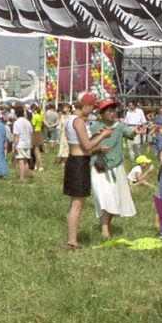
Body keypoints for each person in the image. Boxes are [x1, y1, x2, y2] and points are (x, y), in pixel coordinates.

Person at [89, 98, 136, 238]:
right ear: (102, 113)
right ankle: (104, 229)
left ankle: (106, 225)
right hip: (98, 166)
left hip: (116, 166)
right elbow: (87, 147)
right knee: (104, 195)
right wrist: (98, 149)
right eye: (108, 111)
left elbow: (130, 134)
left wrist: (136, 131)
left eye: (113, 110)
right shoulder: (94, 127)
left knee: (113, 197)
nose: (112, 113)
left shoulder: (119, 126)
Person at [62, 93, 102, 248]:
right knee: (77, 204)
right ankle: (72, 240)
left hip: (74, 160)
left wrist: (95, 134)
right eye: (92, 107)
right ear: (85, 106)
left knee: (75, 203)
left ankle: (72, 238)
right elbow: (88, 146)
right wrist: (103, 135)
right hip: (79, 162)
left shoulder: (71, 119)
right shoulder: (78, 121)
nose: (92, 110)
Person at [11, 107, 33, 181]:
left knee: (20, 160)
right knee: (26, 161)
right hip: (27, 142)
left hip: (20, 143)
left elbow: (17, 135)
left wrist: (15, 145)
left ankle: (21, 177)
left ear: (16, 113)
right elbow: (31, 133)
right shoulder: (27, 121)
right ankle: (26, 176)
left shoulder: (17, 123)